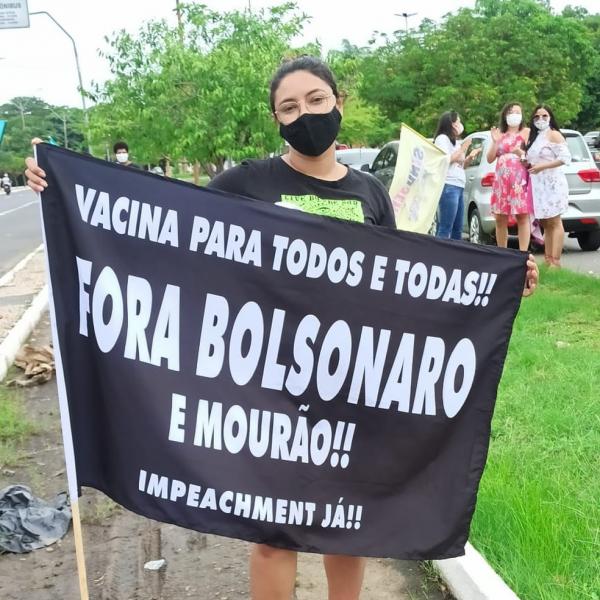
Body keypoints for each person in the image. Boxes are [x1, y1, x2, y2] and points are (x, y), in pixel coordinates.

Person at [24, 55, 539, 600]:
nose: (305, 114)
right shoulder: (245, 183)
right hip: (264, 388)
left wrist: (503, 279)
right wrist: (61, 186)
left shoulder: (369, 193)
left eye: (316, 100)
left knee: (352, 526)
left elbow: (402, 287)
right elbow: (165, 230)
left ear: (338, 103)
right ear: (277, 119)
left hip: (349, 387)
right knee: (271, 533)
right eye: (288, 107)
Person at [526, 105, 571, 268]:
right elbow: (533, 159)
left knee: (554, 221)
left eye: (544, 116)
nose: (541, 119)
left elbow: (565, 158)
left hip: (553, 184)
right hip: (539, 186)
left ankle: (556, 261)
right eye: (537, 117)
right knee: (545, 222)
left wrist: (542, 167)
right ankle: (548, 258)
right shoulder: (535, 137)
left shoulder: (554, 135)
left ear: (550, 117)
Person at [487, 103, 531, 251]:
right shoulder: (500, 134)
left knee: (522, 215)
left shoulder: (526, 132)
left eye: (518, 112)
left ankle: (523, 252)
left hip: (519, 180)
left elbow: (531, 157)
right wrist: (495, 141)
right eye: (511, 112)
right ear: (505, 115)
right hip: (501, 181)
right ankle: (502, 251)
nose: (515, 115)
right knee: (500, 218)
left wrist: (522, 155)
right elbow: (490, 158)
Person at [433, 111, 481, 240]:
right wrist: (464, 148)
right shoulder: (442, 139)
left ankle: (454, 257)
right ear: (451, 124)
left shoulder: (456, 142)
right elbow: (447, 160)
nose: (460, 125)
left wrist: (470, 157)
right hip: (449, 185)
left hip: (459, 185)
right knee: (446, 226)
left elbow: (461, 166)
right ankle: (438, 254)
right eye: (458, 122)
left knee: (458, 227)